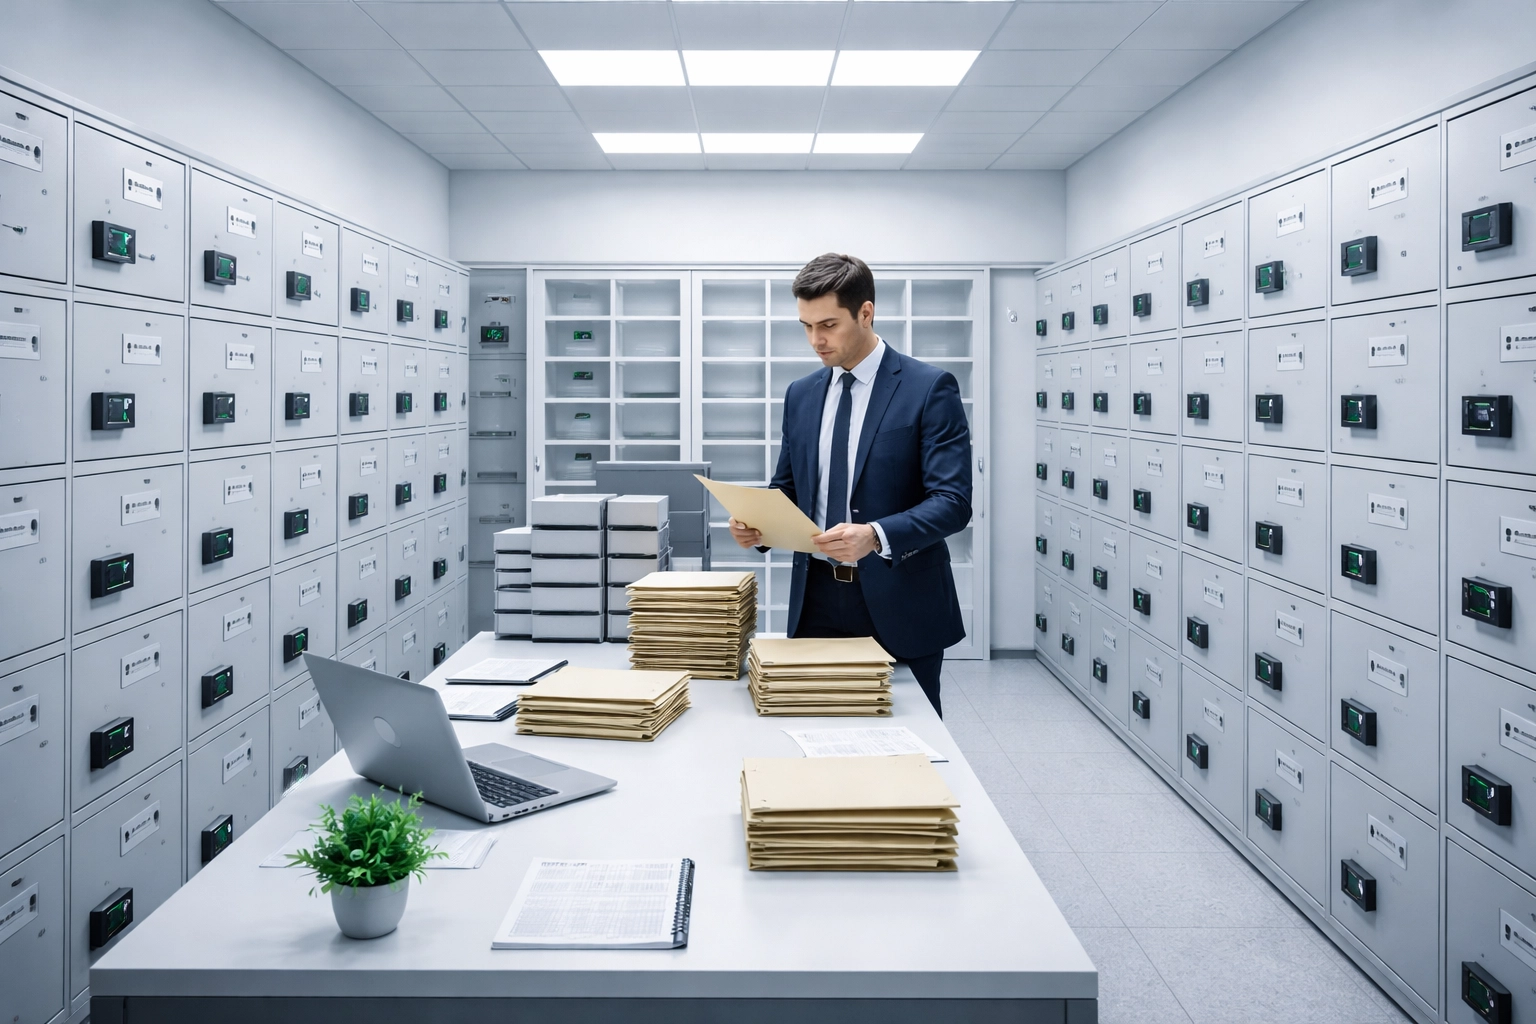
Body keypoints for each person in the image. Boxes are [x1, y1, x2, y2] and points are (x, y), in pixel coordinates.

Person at [729, 253, 972, 716]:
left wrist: (876, 535)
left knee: (909, 741)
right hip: (815, 598)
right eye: (805, 326)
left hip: (900, 598)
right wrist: (756, 525)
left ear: (866, 312)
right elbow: (789, 488)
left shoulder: (928, 387)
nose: (816, 340)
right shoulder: (802, 394)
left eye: (828, 324)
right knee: (814, 730)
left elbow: (953, 502)